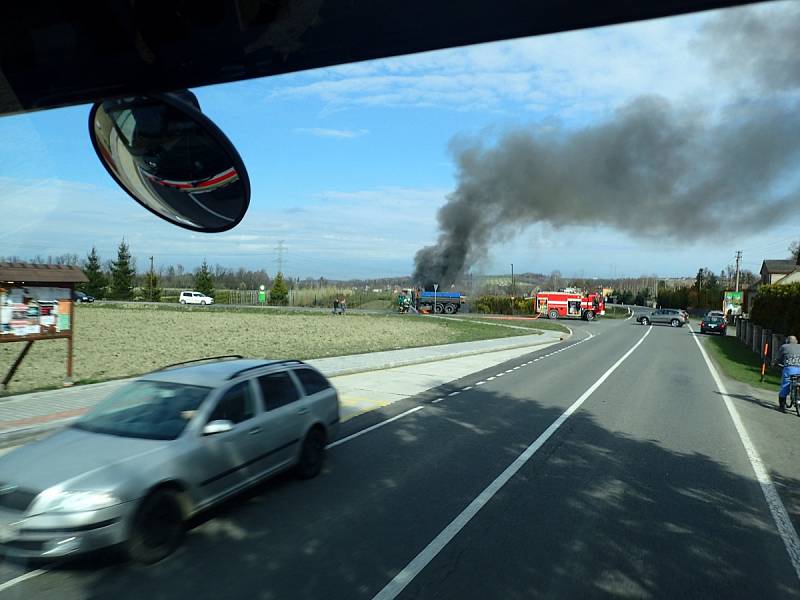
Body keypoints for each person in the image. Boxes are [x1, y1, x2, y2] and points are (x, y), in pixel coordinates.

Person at [778, 335, 800, 413]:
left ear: (788, 341)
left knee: (785, 385)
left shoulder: (784, 346)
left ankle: (782, 406)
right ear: (796, 341)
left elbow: (779, 358)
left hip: (789, 369)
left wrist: (776, 363)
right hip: (799, 370)